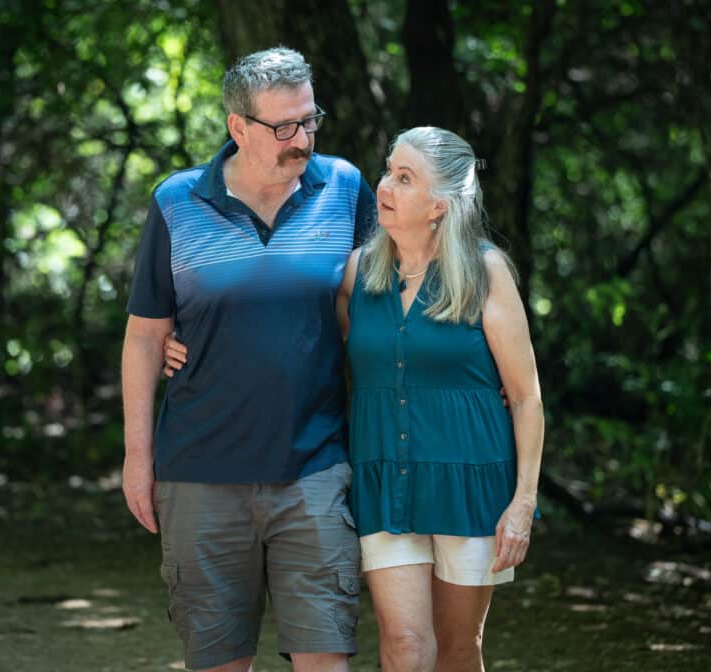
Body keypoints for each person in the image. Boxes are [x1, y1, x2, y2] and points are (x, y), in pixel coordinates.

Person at [168, 126, 545, 672]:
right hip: (382, 479)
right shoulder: (358, 273)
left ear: (439, 205)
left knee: (459, 650)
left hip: (470, 483)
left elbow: (527, 396)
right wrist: (180, 341)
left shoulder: (484, 273)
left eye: (405, 178)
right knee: (407, 647)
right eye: (389, 169)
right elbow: (286, 332)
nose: (384, 185)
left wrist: (523, 503)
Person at [122, 46, 376, 672]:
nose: (303, 138)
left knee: (327, 659)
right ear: (238, 127)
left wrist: (475, 371)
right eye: (284, 126)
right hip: (200, 472)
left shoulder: (345, 190)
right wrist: (136, 457)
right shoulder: (176, 202)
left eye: (311, 120)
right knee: (219, 662)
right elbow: (145, 337)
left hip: (316, 468)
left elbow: (382, 312)